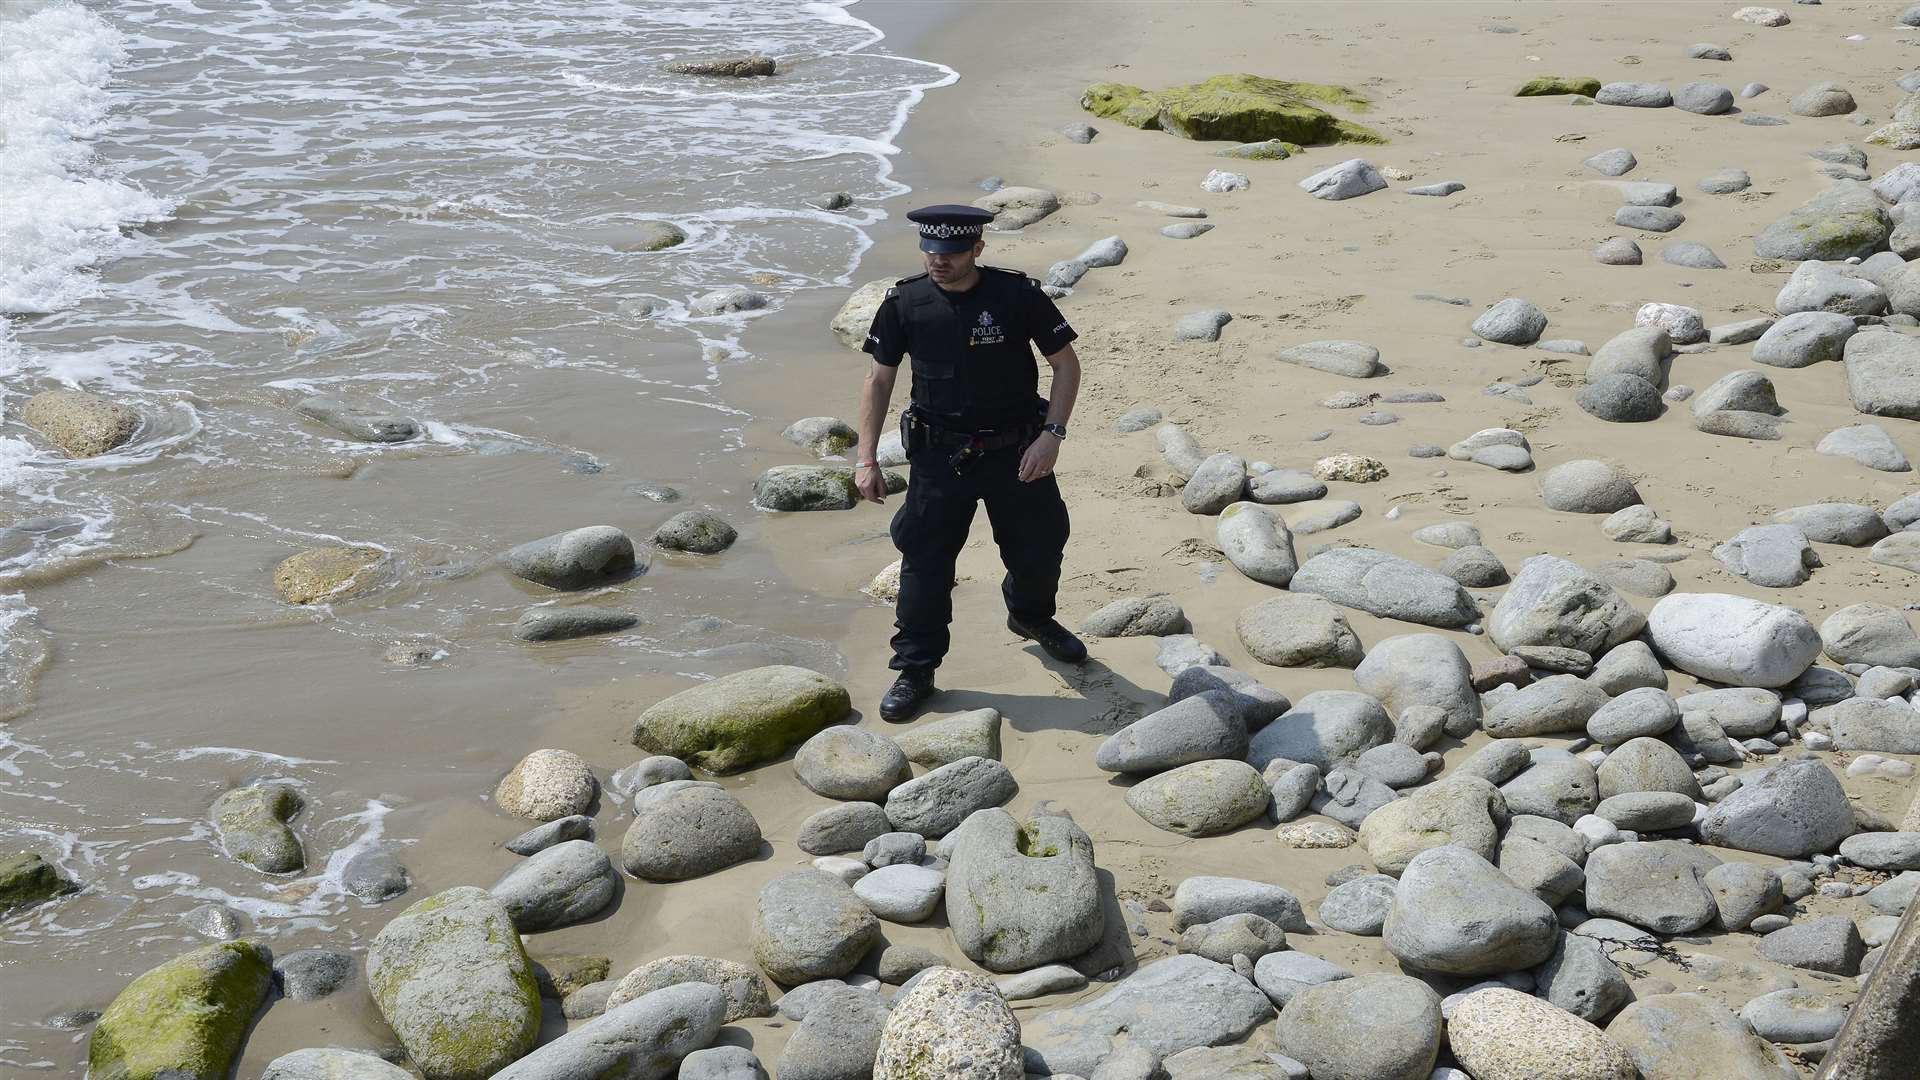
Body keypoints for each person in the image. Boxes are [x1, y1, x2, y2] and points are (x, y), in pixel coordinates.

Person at [852, 203, 1087, 722]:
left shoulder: (1017, 295)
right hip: (939, 458)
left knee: (1041, 547)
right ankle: (916, 668)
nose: (940, 262)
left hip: (1019, 451)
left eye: (953, 253)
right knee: (925, 563)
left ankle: (1031, 617)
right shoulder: (904, 302)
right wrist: (866, 458)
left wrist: (1052, 436)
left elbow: (1066, 366)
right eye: (932, 251)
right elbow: (879, 381)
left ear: (977, 249)